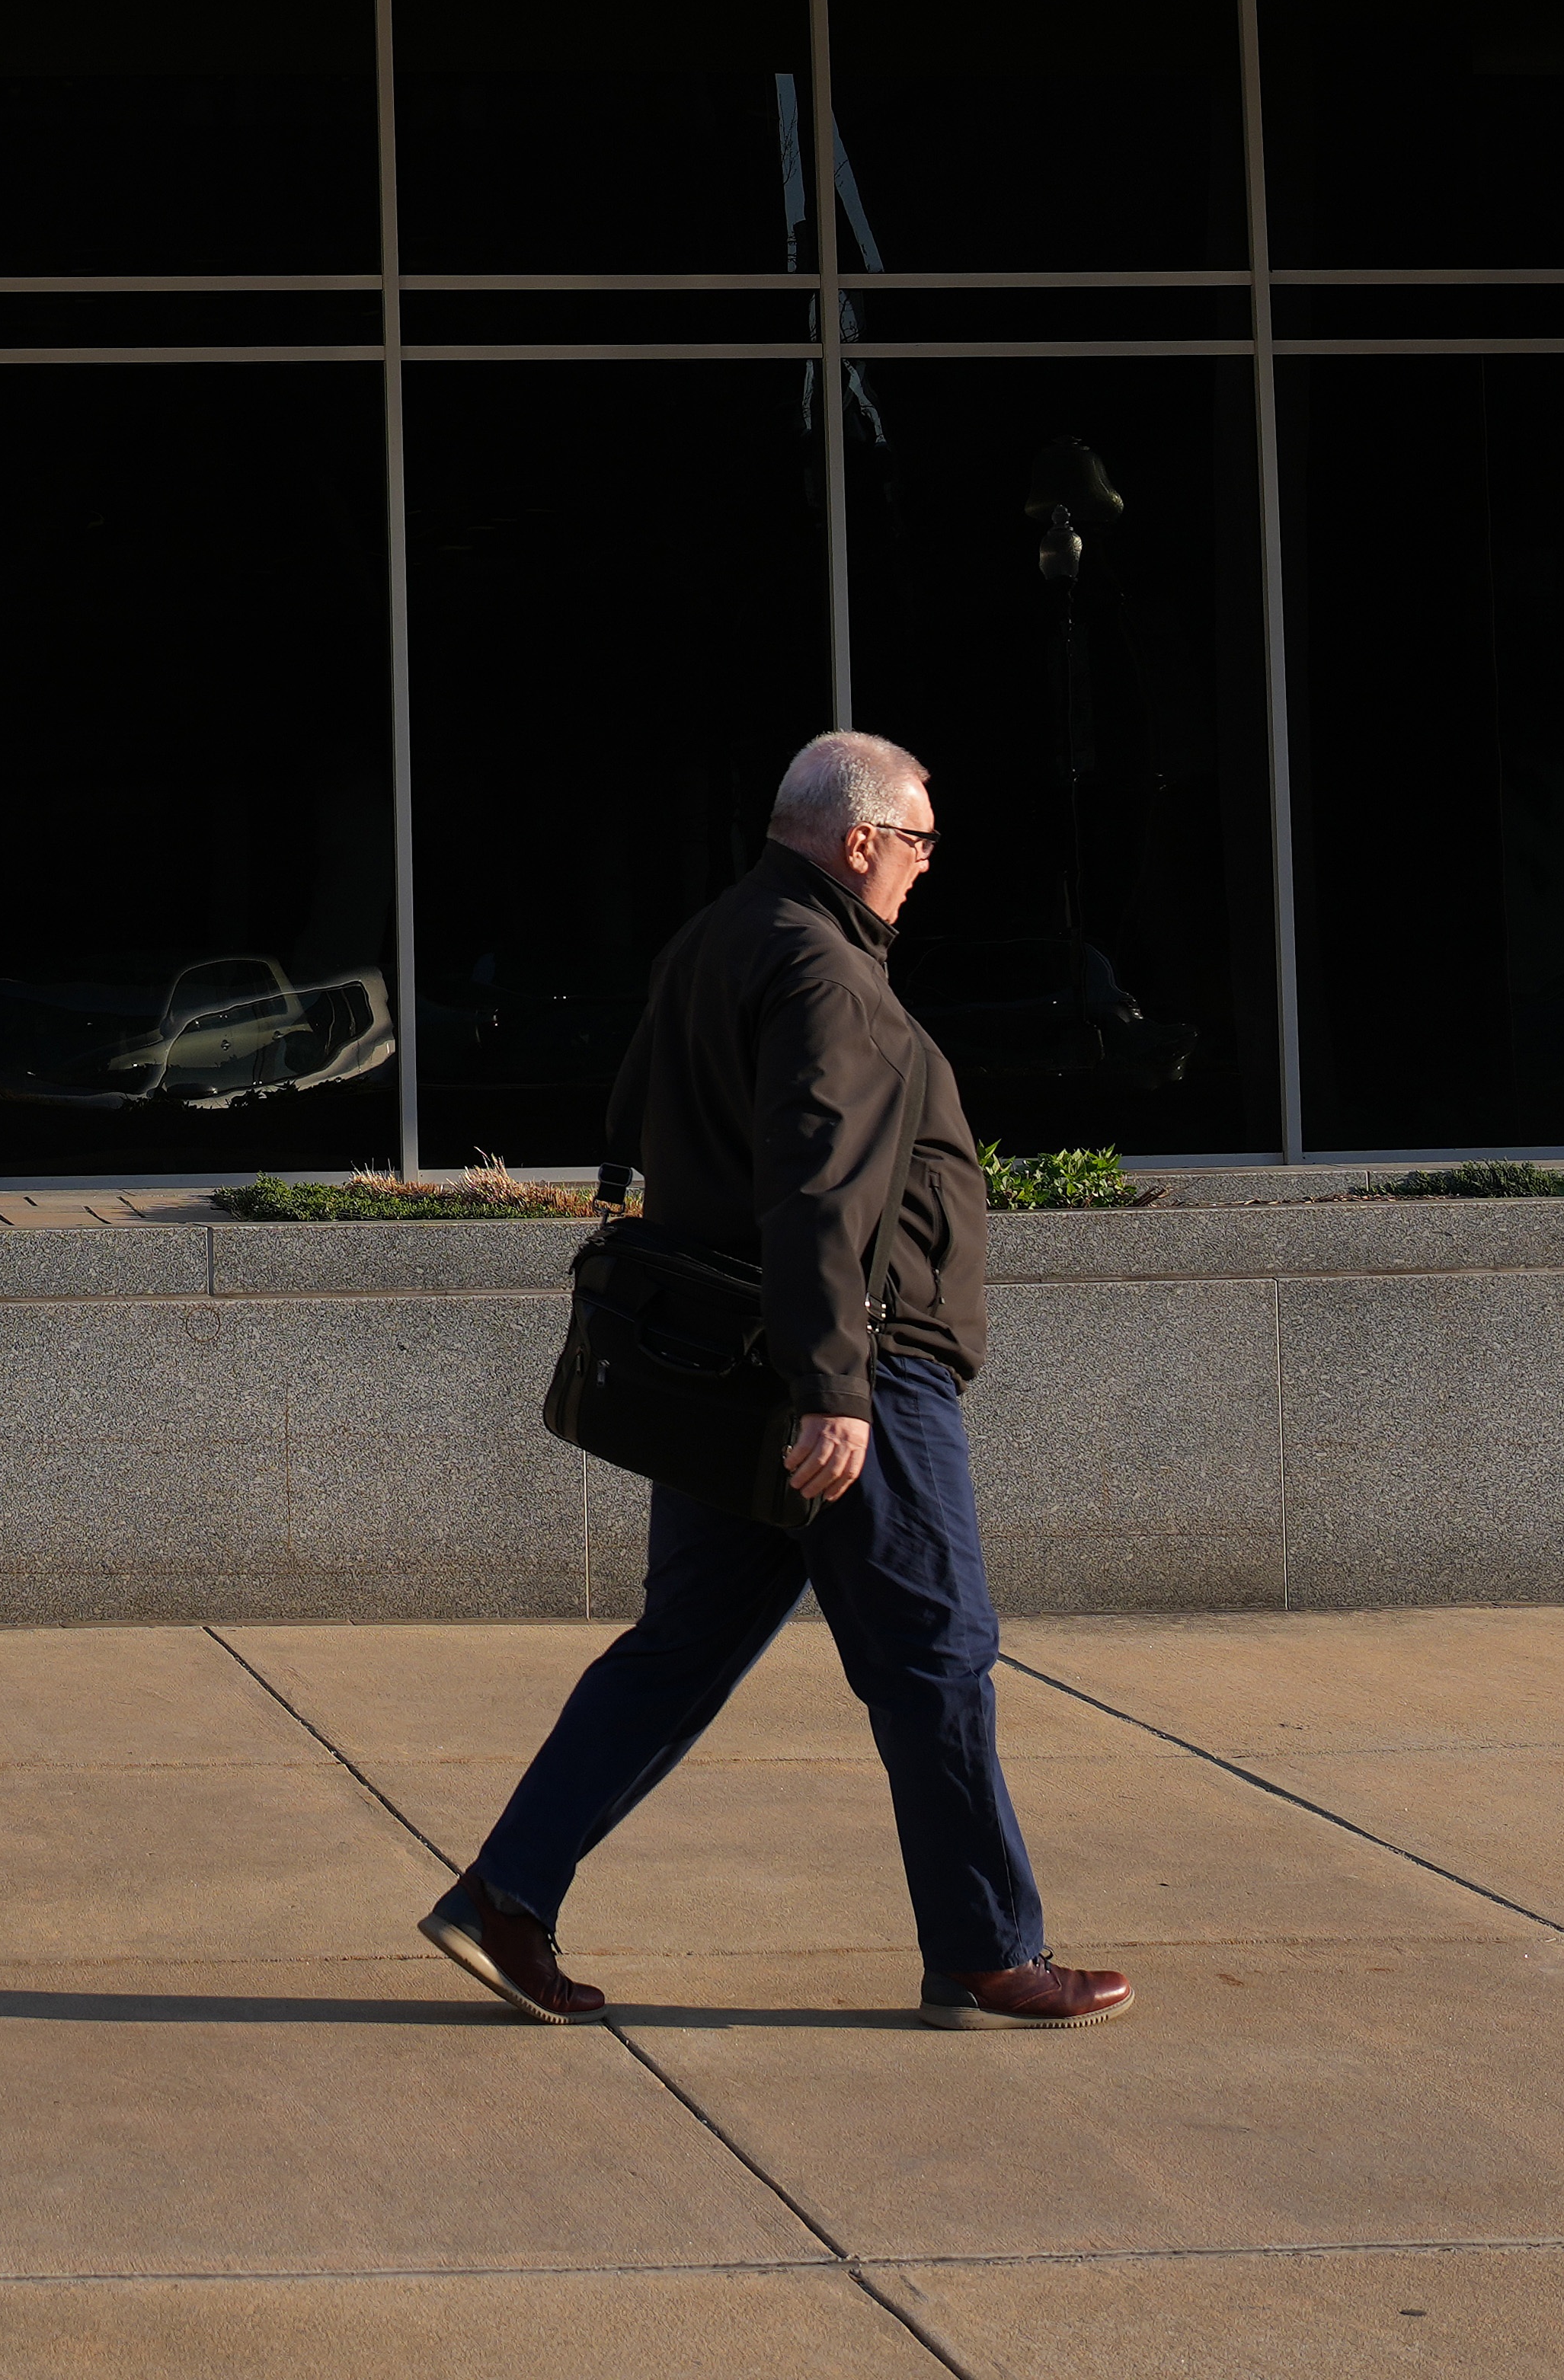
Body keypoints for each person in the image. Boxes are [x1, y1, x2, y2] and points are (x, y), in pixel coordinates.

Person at [417, 729, 1134, 2035]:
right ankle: (984, 1950)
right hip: (848, 1367)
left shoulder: (716, 937)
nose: (923, 868)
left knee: (679, 1649)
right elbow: (816, 1188)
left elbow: (642, 1120)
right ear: (857, 841)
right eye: (916, 842)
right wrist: (831, 1388)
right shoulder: (826, 971)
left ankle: (503, 1898)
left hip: (734, 1370)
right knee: (935, 1651)